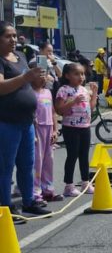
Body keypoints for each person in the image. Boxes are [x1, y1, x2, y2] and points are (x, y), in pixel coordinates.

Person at [0, 22, 49, 216]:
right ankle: (5, 207)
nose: (13, 40)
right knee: (5, 166)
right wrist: (26, 77)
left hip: (26, 121)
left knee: (27, 164)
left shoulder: (19, 56)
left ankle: (29, 202)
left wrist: (37, 78)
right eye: (8, 36)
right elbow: (2, 87)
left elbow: (26, 86)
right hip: (7, 122)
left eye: (14, 36)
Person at [55, 62, 98, 196]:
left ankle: (86, 182)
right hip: (70, 127)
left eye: (82, 74)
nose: (81, 77)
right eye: (77, 74)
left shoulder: (84, 89)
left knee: (84, 155)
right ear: (67, 75)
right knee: (72, 155)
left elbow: (91, 107)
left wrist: (95, 93)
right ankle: (69, 185)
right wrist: (73, 101)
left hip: (85, 126)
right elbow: (59, 109)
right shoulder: (64, 90)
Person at [33, 74, 61, 203]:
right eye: (40, 75)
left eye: (45, 75)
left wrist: (55, 130)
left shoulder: (48, 92)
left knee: (48, 161)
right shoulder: (30, 93)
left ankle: (48, 190)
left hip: (49, 128)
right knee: (37, 162)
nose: (44, 78)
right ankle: (35, 193)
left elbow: (53, 111)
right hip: (37, 129)